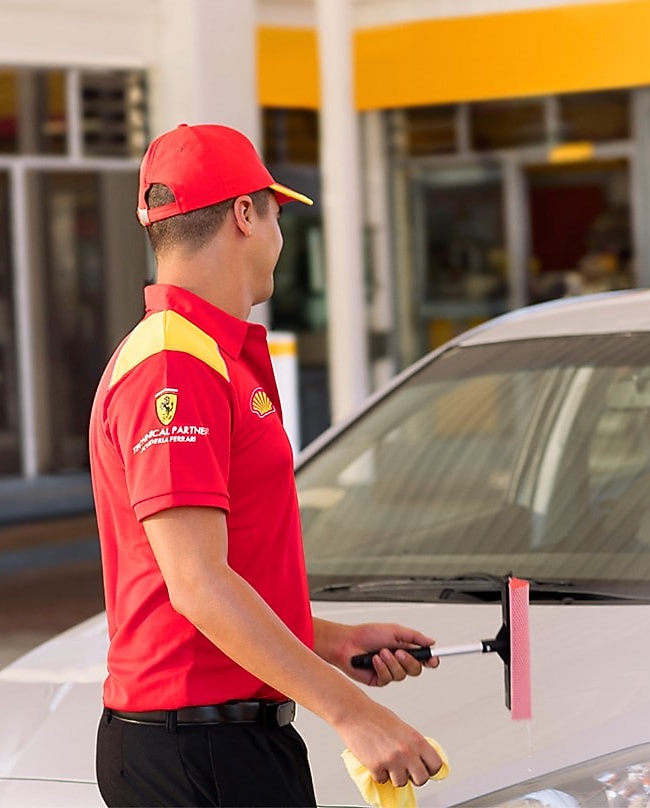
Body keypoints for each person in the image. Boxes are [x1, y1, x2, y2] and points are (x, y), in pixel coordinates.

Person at [88, 123, 444, 807]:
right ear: (245, 215)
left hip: (212, 744)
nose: (281, 237)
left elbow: (211, 577)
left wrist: (325, 641)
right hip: (202, 751)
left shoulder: (200, 353)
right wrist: (355, 714)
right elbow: (197, 584)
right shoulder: (176, 368)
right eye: (277, 214)